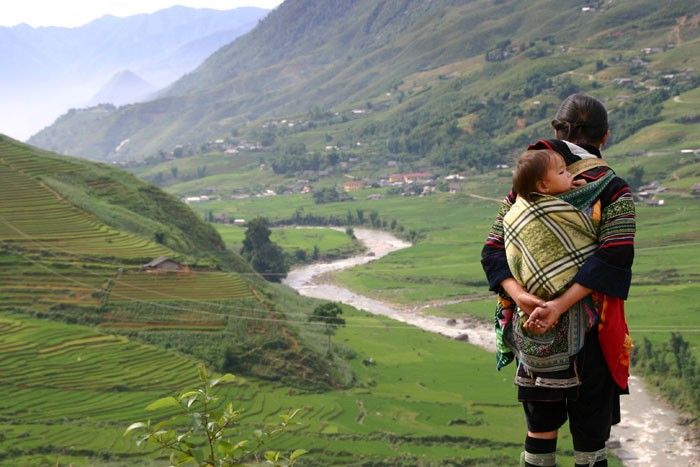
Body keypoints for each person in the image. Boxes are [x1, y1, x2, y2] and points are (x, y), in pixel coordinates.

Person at [481, 93, 635, 467]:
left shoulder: (527, 186)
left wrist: (521, 298)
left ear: (557, 130)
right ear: (606, 136)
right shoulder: (614, 190)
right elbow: (613, 256)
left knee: (539, 435)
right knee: (590, 442)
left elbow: (492, 249)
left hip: (533, 331)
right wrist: (560, 306)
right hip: (592, 334)